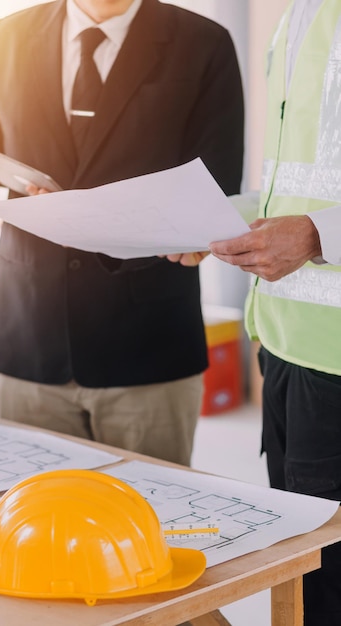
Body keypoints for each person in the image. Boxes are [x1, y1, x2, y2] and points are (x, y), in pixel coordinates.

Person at [0, 0, 244, 466]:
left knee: (147, 521)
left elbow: (216, 181)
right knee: (35, 521)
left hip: (145, 342)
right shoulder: (5, 36)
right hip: (28, 336)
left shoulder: (203, 41)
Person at [171, 1, 341, 623]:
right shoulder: (297, 16)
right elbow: (292, 188)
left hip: (336, 363)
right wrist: (219, 223)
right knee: (303, 574)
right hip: (284, 347)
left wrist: (319, 235)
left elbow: (315, 216)